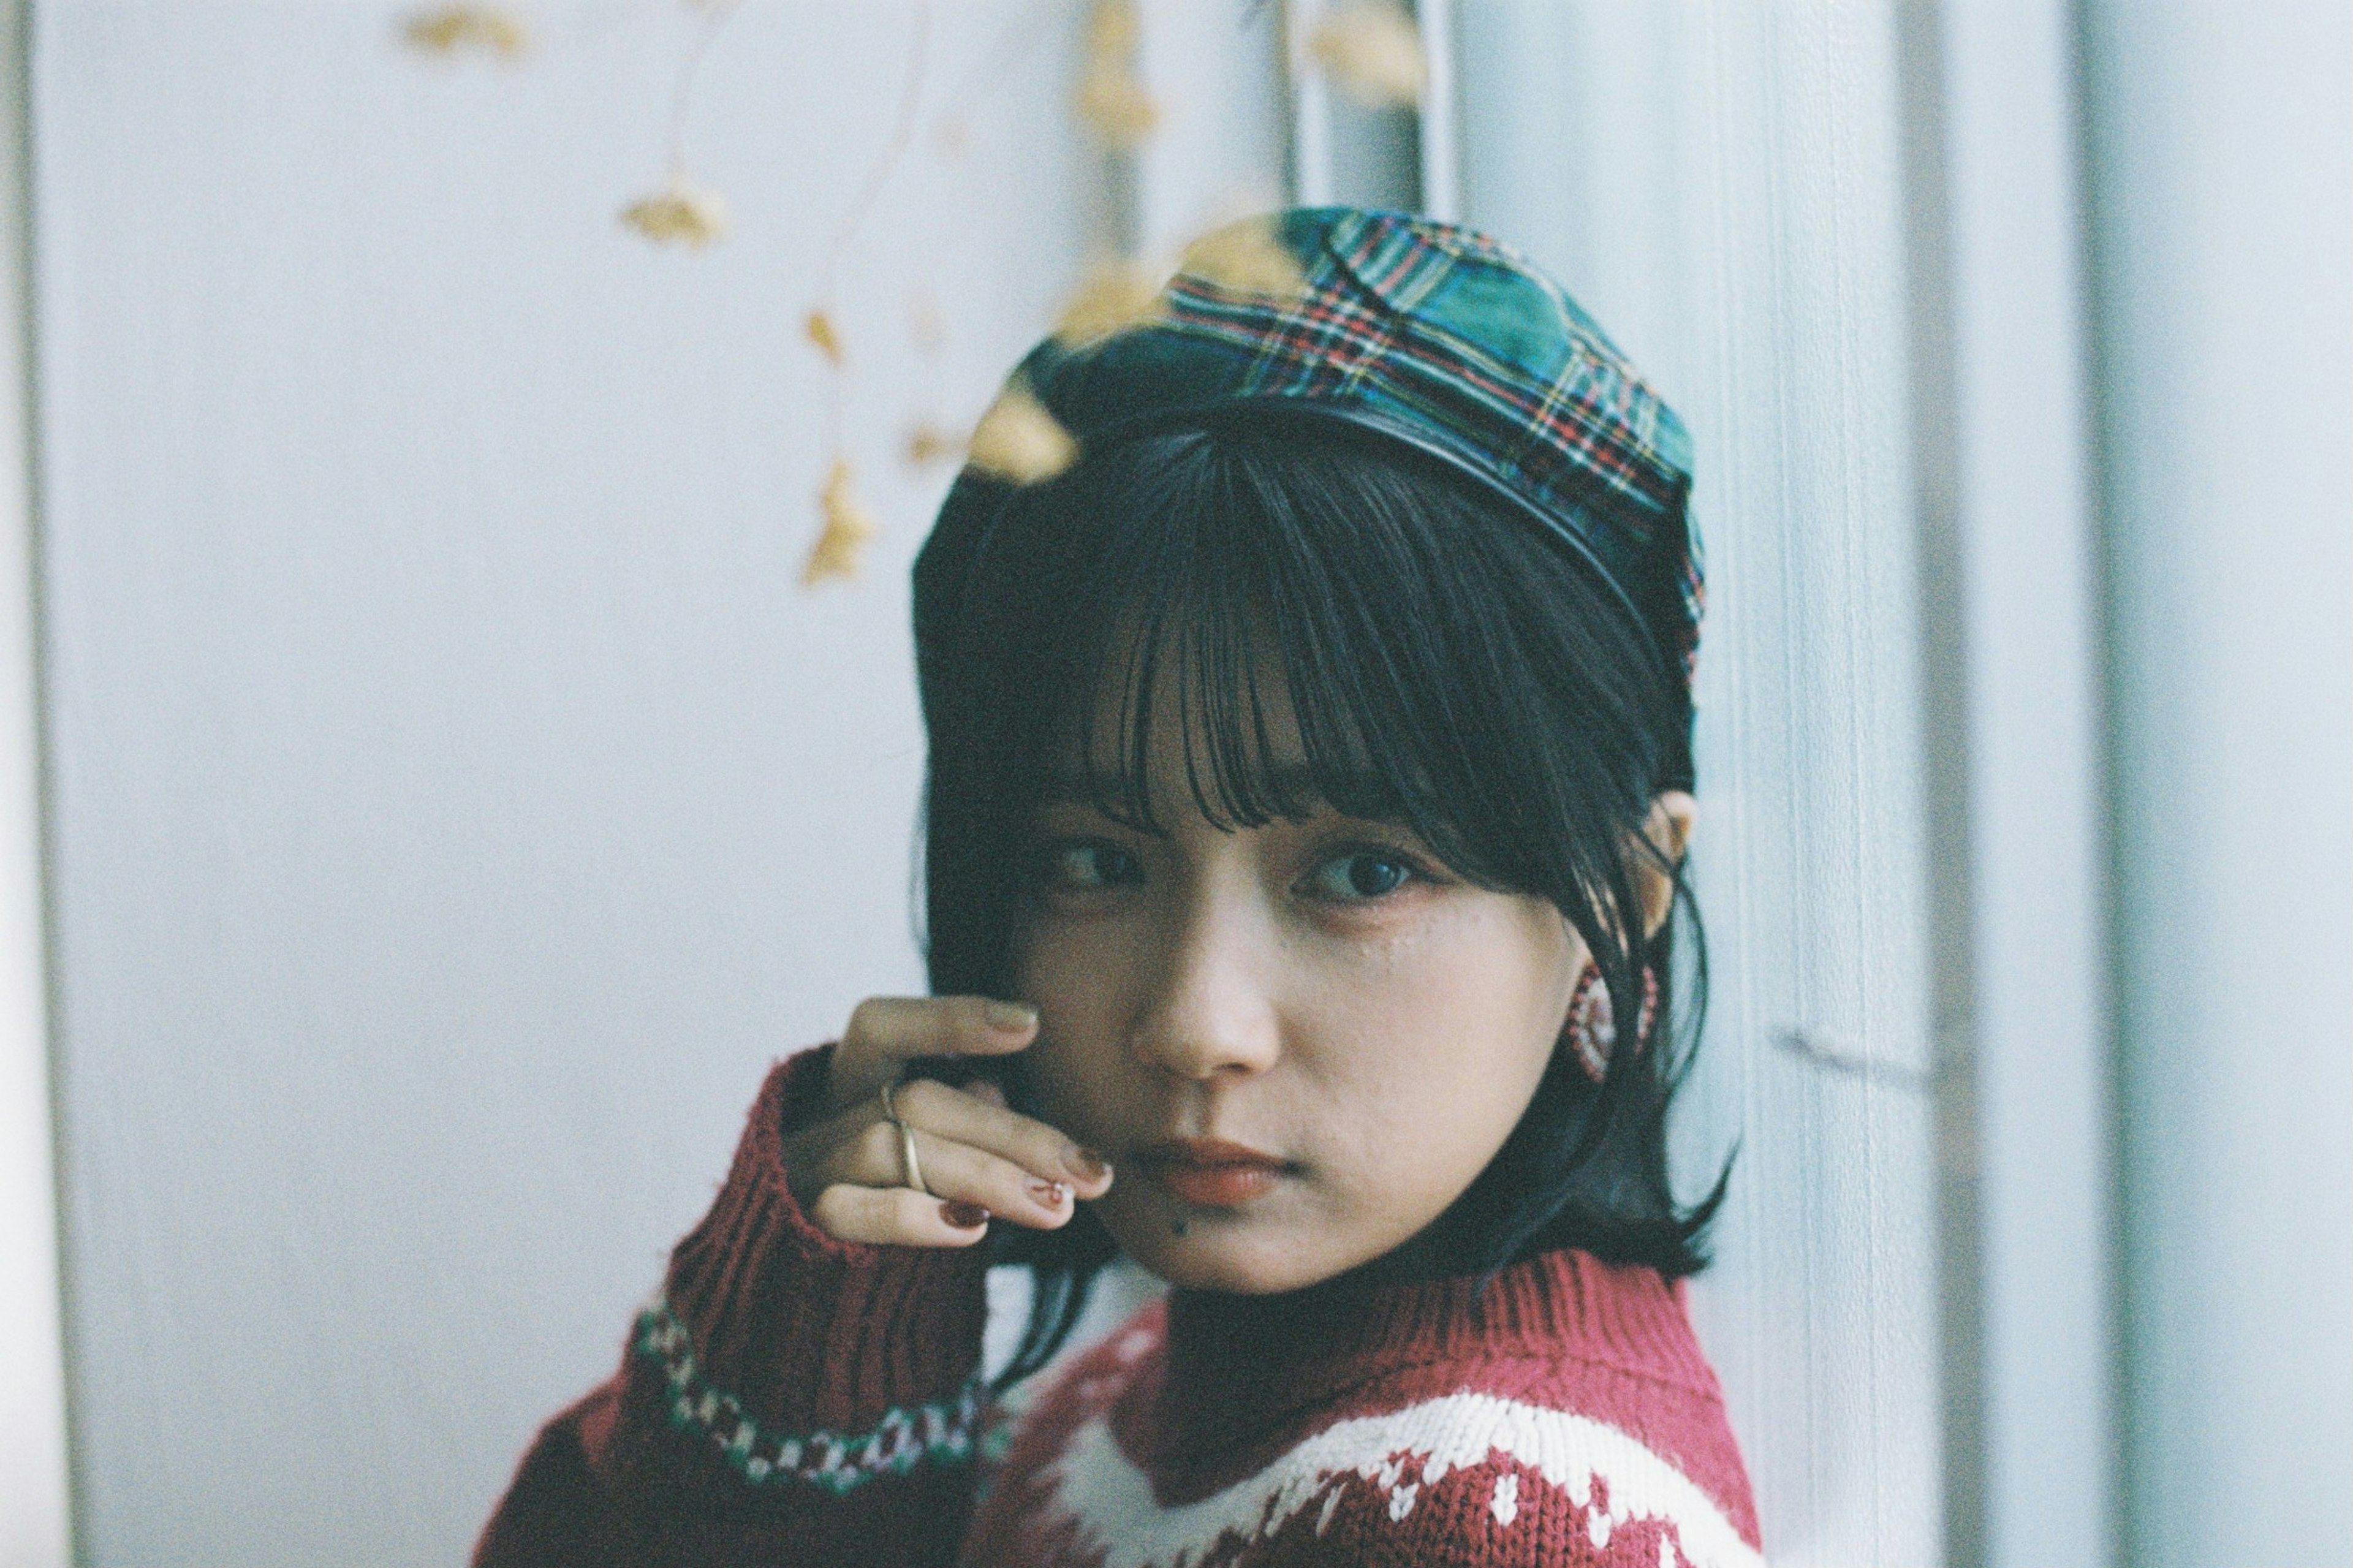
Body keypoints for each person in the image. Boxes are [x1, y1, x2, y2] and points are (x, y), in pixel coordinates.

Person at [474, 208, 1762, 1567]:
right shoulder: (1156, 1377)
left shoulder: (1498, 1521)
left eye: (1364, 871)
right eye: (1094, 860)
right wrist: (794, 1350)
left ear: (1625, 887)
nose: (1198, 1024)